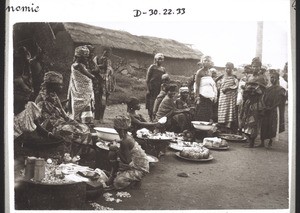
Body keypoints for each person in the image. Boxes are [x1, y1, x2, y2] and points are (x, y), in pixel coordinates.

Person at [35, 71, 92, 155]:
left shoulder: (53, 95)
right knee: (70, 132)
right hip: (48, 126)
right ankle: (65, 155)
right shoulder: (41, 99)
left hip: (58, 122)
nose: (61, 87)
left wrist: (73, 122)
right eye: (59, 85)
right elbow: (38, 119)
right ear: (52, 85)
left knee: (84, 128)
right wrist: (49, 132)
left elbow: (62, 112)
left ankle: (76, 155)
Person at [106, 115, 149, 190]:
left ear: (116, 128)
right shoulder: (126, 137)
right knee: (112, 153)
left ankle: (134, 181)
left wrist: (116, 149)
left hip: (139, 169)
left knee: (118, 182)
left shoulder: (125, 141)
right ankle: (114, 175)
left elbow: (127, 161)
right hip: (138, 165)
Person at [240, 57, 268, 148]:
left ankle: (252, 142)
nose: (255, 68)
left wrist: (254, 90)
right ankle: (249, 140)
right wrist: (245, 90)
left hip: (256, 102)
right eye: (253, 66)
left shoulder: (261, 77)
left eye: (257, 67)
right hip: (248, 101)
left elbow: (262, 90)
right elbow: (247, 86)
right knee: (246, 120)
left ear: (260, 67)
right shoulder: (250, 76)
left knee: (253, 122)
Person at [257, 71, 287, 148]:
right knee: (264, 125)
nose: (272, 79)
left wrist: (271, 108)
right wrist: (264, 106)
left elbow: (280, 101)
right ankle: (262, 142)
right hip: (266, 109)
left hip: (273, 110)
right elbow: (263, 98)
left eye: (274, 78)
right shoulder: (268, 88)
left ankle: (270, 141)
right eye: (271, 78)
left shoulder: (281, 89)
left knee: (272, 125)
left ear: (277, 79)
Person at [67, 46, 95, 123]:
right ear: (80, 57)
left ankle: (81, 122)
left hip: (79, 92)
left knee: (80, 110)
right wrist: (92, 75)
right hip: (82, 93)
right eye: (85, 57)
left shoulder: (75, 65)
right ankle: (85, 123)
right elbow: (91, 76)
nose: (86, 59)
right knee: (85, 108)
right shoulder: (79, 66)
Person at [93, 47, 115, 123]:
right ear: (105, 51)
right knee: (97, 101)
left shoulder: (108, 61)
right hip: (98, 82)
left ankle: (100, 118)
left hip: (105, 83)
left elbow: (109, 72)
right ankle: (96, 118)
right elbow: (94, 69)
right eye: (109, 52)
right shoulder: (96, 59)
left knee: (103, 101)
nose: (109, 54)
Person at [194, 56, 218, 122]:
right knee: (201, 113)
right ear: (202, 62)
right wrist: (197, 97)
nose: (206, 62)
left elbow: (212, 84)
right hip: (202, 96)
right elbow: (197, 86)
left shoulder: (210, 72)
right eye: (205, 60)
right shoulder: (199, 72)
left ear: (211, 63)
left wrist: (215, 95)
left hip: (209, 97)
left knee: (208, 114)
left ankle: (205, 130)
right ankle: (199, 130)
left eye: (208, 61)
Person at [217, 62, 239, 132]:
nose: (227, 70)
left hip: (230, 97)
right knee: (222, 110)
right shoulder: (222, 76)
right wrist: (220, 88)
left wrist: (228, 88)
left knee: (229, 110)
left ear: (232, 69)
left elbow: (236, 86)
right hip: (223, 96)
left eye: (229, 68)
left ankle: (228, 126)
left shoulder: (234, 77)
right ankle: (222, 125)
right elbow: (217, 83)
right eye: (226, 68)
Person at [146, 53, 166, 121]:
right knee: (151, 102)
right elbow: (147, 79)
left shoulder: (163, 69)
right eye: (159, 59)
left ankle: (155, 116)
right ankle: (150, 116)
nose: (161, 60)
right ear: (156, 59)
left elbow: (164, 79)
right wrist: (148, 89)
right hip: (152, 87)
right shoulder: (152, 67)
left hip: (158, 88)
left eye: (162, 59)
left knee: (157, 102)